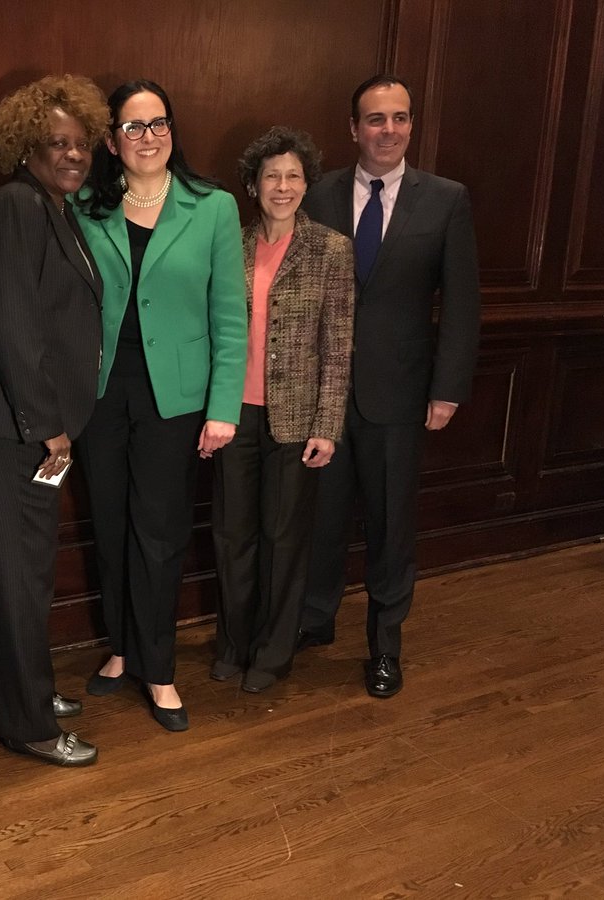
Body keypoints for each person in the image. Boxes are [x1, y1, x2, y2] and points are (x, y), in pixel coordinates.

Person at [298, 74, 481, 697]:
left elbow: (461, 303)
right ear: (354, 129)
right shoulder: (315, 194)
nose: (389, 130)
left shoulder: (446, 199)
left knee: (390, 525)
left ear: (411, 126)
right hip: (319, 396)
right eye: (376, 119)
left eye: (400, 118)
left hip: (399, 396)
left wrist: (447, 388)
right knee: (318, 519)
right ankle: (314, 621)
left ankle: (385, 645)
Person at [74, 79, 247, 731]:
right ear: (112, 141)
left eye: (158, 124)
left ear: (172, 130)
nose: (148, 137)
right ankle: (121, 647)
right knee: (111, 523)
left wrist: (223, 405)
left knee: (161, 529)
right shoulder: (86, 207)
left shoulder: (213, 207)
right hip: (100, 391)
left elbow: (230, 314)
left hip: (176, 396)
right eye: (133, 127)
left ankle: (159, 666)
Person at [0, 75, 108, 767]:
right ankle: (26, 725)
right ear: (26, 147)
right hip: (18, 432)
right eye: (57, 142)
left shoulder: (55, 206)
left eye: (81, 142)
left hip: (42, 430)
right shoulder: (13, 207)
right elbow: (12, 325)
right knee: (20, 579)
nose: (73, 154)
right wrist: (48, 425)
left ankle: (28, 691)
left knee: (33, 574)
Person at [209, 127, 354, 694]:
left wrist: (328, 425)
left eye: (294, 175)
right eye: (272, 175)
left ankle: (272, 652)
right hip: (232, 413)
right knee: (232, 535)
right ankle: (233, 644)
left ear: (306, 184)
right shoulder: (232, 244)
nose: (283, 185)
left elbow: (339, 344)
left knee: (284, 539)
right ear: (252, 184)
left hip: (297, 421)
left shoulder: (331, 249)